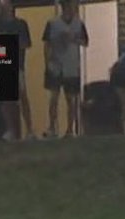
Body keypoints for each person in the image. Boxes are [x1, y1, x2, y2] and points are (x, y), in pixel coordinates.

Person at [43, 0, 90, 138]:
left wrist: (74, 39)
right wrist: (48, 62)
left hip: (71, 65)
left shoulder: (79, 24)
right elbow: (47, 44)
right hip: (56, 64)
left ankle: (70, 129)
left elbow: (85, 42)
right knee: (54, 97)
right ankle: (52, 127)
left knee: (71, 99)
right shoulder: (52, 24)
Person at [0, 0, 34, 141]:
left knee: (22, 96)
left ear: (11, 8)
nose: (2, 10)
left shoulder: (20, 24)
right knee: (6, 101)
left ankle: (30, 129)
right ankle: (11, 130)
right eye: (0, 8)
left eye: (4, 7)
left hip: (17, 66)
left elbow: (25, 44)